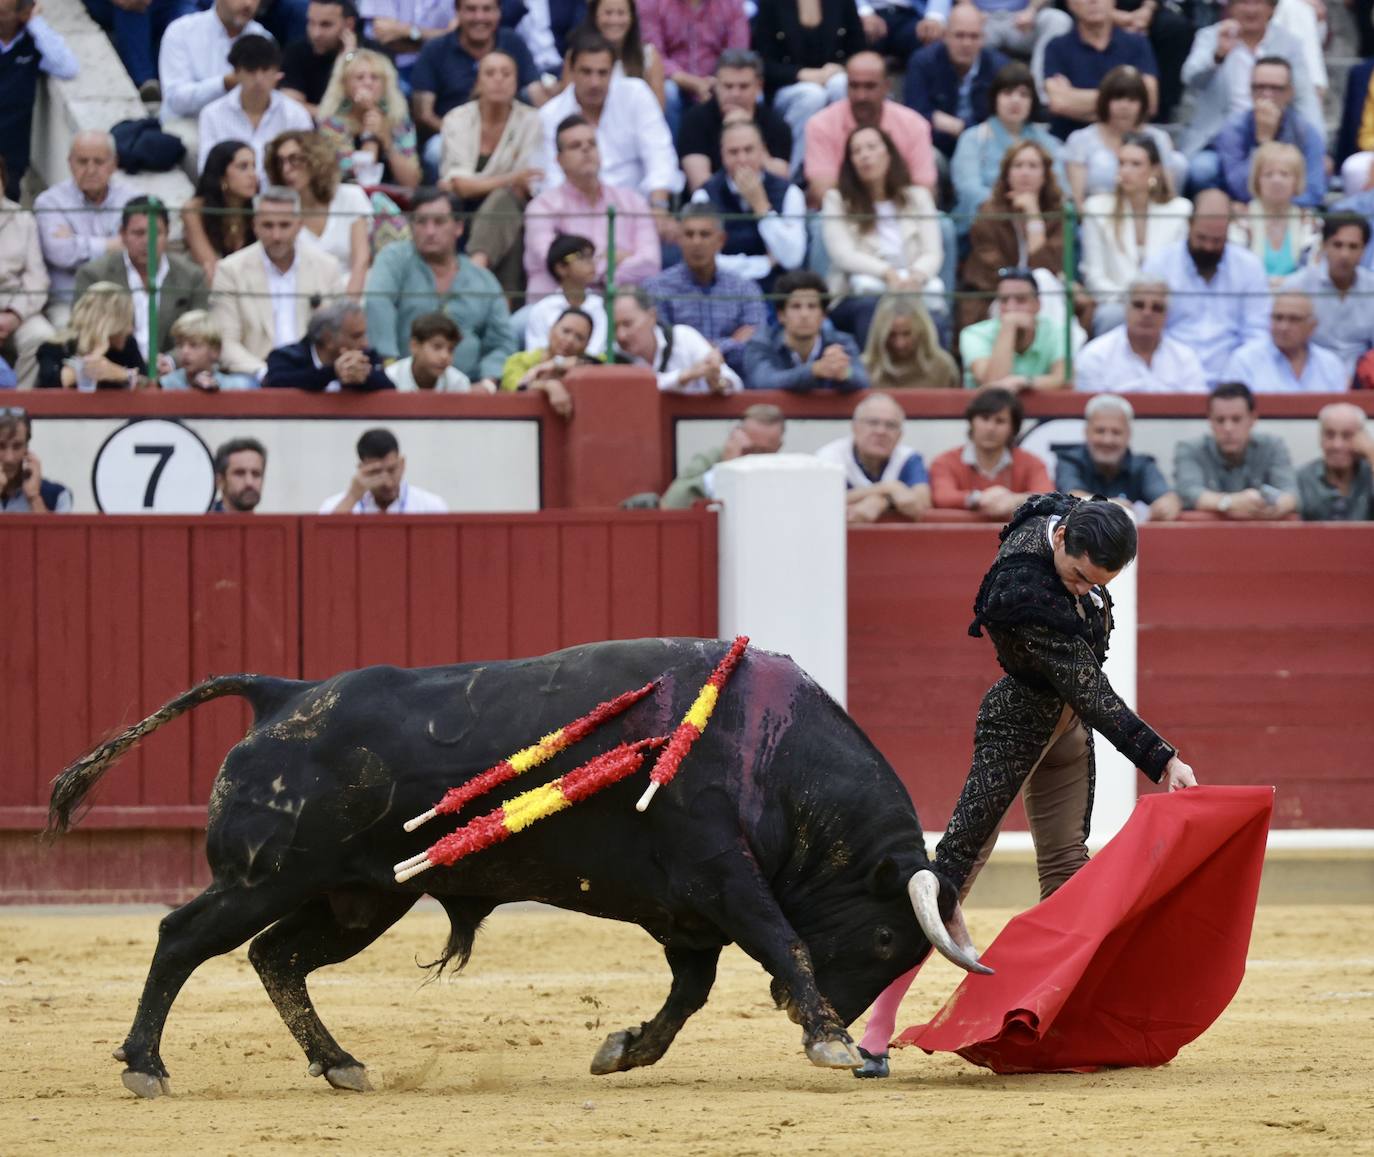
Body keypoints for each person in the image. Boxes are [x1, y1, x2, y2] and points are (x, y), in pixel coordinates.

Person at [854, 491, 1196, 1078]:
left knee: (1068, 871)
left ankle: (1064, 1019)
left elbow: (1085, 696)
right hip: (1017, 723)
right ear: (1061, 542)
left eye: (1097, 583)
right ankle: (875, 1032)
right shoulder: (1023, 593)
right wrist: (1162, 759)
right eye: (1079, 577)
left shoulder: (1062, 518)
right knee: (950, 875)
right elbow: (1093, 693)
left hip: (1066, 730)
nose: (1084, 590)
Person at [363, 188, 515, 387]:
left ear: (459, 227)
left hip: (466, 391)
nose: (429, 231)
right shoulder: (395, 259)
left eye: (439, 222)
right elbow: (377, 303)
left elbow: (503, 342)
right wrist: (388, 368)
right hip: (401, 387)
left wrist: (487, 383)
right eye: (421, 222)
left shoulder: (484, 280)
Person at [822, 125, 946, 347]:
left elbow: (932, 251)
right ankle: (872, 379)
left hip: (912, 287)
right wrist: (887, 274)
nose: (864, 155)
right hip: (858, 292)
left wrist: (916, 277)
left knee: (934, 314)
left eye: (871, 147)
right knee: (869, 307)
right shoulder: (836, 200)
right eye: (856, 151)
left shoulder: (918, 197)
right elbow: (844, 256)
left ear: (889, 154)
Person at [438, 50, 544, 294]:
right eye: (490, 73)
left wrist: (491, 183)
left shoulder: (533, 120)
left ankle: (473, 274)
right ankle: (502, 303)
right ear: (478, 82)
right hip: (462, 207)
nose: (498, 79)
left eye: (506, 74)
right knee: (506, 210)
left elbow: (526, 184)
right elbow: (460, 186)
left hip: (511, 203)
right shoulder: (458, 118)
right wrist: (509, 178)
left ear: (516, 81)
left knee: (504, 201)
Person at [537, 30, 679, 213]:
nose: (595, 82)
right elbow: (551, 178)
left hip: (638, 213)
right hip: (575, 216)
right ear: (571, 71)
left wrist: (659, 206)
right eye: (586, 72)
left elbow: (659, 155)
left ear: (613, 71)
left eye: (602, 73)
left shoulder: (637, 94)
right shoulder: (550, 115)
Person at [209, 186, 345, 376]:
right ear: (255, 225)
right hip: (255, 375)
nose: (276, 236)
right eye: (268, 225)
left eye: (284, 225)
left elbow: (340, 335)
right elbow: (225, 342)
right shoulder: (230, 270)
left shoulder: (327, 267)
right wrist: (267, 374)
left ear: (299, 225)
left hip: (314, 376)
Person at [1139, 188, 1269, 385]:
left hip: (1235, 378)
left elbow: (1257, 333)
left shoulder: (1249, 267)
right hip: (1172, 376)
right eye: (1202, 238)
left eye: (1217, 240)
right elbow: (1151, 329)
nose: (1208, 247)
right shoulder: (1159, 265)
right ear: (1189, 224)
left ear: (1229, 229)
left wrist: (1236, 375)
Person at [523, 115, 660, 298]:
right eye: (575, 146)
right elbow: (553, 261)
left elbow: (650, 263)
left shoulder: (633, 202)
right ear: (559, 160)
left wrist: (590, 268)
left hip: (620, 309)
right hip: (557, 309)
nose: (586, 149)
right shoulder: (542, 207)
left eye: (592, 144)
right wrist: (612, 260)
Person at [73, 197, 210, 367]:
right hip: (111, 374)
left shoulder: (191, 276)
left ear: (167, 234)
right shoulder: (94, 275)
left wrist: (171, 361)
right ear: (122, 234)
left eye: (156, 233)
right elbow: (83, 333)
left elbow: (202, 333)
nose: (147, 242)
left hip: (173, 377)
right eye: (138, 233)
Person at [1179, 0, 1320, 162]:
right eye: (1243, 2)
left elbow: (1305, 98)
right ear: (1230, 7)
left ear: (1272, 8)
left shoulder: (1289, 44)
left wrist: (1318, 147)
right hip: (1216, 137)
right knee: (1202, 170)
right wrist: (1218, 55)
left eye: (1258, 3)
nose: (1251, 10)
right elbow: (1190, 78)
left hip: (1275, 136)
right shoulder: (1210, 36)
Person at [411, 0, 540, 175]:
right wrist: (459, 133)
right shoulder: (435, 49)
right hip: (451, 131)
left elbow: (536, 92)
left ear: (498, 12)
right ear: (457, 12)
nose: (480, 17)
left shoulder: (513, 42)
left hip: (510, 130)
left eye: (487, 9)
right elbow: (424, 114)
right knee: (435, 150)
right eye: (471, 9)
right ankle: (444, 200)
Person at [1079, 132, 1190, 335]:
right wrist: (1134, 300)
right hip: (1116, 303)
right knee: (1111, 317)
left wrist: (1153, 301)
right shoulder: (1096, 209)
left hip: (1165, 302)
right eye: (1121, 163)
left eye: (1135, 164)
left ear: (1155, 170)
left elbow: (1181, 273)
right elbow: (1094, 276)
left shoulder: (1180, 211)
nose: (1125, 171)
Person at [803, 51, 937, 210]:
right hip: (843, 213)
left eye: (870, 86)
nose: (861, 96)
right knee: (819, 227)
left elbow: (925, 189)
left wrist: (886, 212)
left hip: (901, 213)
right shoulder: (820, 124)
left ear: (887, 86)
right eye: (854, 86)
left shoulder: (914, 124)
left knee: (944, 226)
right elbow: (822, 191)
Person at [645, 205, 767, 375]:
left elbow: (757, 343)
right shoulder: (657, 288)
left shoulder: (744, 288)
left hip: (737, 382)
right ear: (679, 239)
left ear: (721, 240)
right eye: (689, 234)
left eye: (705, 234)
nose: (696, 242)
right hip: (681, 382)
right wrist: (730, 343)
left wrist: (693, 347)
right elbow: (664, 346)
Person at [689, 120, 806, 295]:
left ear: (762, 151)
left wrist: (761, 207)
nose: (742, 159)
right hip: (721, 292)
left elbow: (792, 259)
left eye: (748, 150)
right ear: (722, 155)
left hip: (775, 295)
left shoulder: (789, 193)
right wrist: (764, 264)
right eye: (733, 152)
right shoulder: (704, 195)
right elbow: (703, 258)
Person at [959, 139, 1066, 330]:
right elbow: (995, 274)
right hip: (998, 298)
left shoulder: (1057, 215)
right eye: (1018, 166)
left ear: (1045, 175)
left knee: (1043, 280)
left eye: (1033, 166)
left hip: (1044, 298)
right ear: (1007, 174)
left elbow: (1046, 270)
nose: (1025, 172)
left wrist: (1034, 216)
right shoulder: (988, 214)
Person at [949, 61, 1063, 236]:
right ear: (995, 98)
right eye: (1007, 93)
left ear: (1033, 102)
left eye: (1024, 94)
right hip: (986, 226)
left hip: (1039, 223)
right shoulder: (973, 138)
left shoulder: (1049, 143)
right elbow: (968, 189)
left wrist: (1032, 209)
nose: (1015, 100)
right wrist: (1014, 204)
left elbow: (1061, 189)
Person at [33, 132, 133, 325]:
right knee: (66, 334)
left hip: (120, 301)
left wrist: (75, 240)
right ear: (70, 163)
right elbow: (60, 253)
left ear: (113, 164)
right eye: (82, 161)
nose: (90, 169)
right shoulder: (50, 201)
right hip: (69, 302)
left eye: (99, 161)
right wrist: (112, 244)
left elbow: (137, 250)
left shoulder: (130, 200)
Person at [752, 0, 863, 173]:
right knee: (812, 95)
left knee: (841, 83)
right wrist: (801, 74)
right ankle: (795, 171)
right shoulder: (771, 3)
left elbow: (859, 49)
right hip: (788, 87)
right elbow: (764, 63)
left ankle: (846, 165)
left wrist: (841, 67)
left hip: (831, 77)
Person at [1204, 56, 1326, 210]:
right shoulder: (1234, 129)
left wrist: (1275, 207)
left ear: (1290, 93)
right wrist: (1263, 141)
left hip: (1290, 212)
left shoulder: (1306, 132)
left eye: (1276, 88)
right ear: (1250, 90)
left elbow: (1314, 191)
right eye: (1259, 87)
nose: (1267, 94)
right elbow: (1240, 190)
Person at [264, 131, 373, 301]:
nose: (286, 169)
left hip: (354, 292)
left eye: (295, 160)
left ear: (315, 160)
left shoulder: (350, 196)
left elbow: (361, 260)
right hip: (303, 297)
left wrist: (348, 307)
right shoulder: (281, 210)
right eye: (281, 162)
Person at [1061, 65, 1183, 208]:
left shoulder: (1158, 139)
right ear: (1105, 101)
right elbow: (1076, 201)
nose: (1124, 106)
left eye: (1132, 100)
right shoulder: (1080, 140)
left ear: (1142, 104)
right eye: (1117, 99)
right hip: (1095, 223)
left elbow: (1168, 194)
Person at [1173, 380, 1298, 518]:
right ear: (1210, 421)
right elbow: (1188, 492)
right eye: (1220, 420)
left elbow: (1291, 495)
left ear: (1252, 419)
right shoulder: (1189, 449)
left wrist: (1270, 508)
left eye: (1236, 419)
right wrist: (1231, 502)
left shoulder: (1273, 446)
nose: (1228, 428)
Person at [1038, 0, 1158, 141]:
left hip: (1127, 144)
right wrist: (1125, 100)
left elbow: (1149, 102)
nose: (1093, 1)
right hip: (1066, 140)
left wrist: (1074, 98)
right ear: (1070, 4)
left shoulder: (1137, 44)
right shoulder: (1056, 47)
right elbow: (1059, 103)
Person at [198, 35, 313, 179]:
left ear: (277, 72)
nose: (259, 79)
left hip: (283, 195)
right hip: (229, 198)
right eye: (251, 71)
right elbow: (207, 170)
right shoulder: (212, 114)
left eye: (265, 70)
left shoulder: (296, 114)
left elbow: (307, 167)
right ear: (236, 72)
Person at [678, 48, 792, 191]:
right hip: (713, 207)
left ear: (759, 86)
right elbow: (699, 184)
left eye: (743, 86)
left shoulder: (775, 123)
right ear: (716, 85)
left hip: (766, 203)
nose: (735, 93)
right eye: (728, 86)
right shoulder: (695, 120)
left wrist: (749, 134)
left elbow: (781, 181)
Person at [928, 386, 1053, 516]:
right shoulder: (945, 461)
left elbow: (1048, 497)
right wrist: (978, 498)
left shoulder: (1031, 462)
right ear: (971, 422)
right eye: (984, 418)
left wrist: (1014, 500)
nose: (990, 428)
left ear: (1013, 428)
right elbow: (942, 496)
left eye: (1000, 421)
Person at [902, 4, 1007, 159]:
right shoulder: (922, 62)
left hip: (986, 151)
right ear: (945, 36)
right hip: (938, 147)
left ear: (983, 39)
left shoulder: (999, 68)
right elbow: (915, 115)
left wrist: (958, 126)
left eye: (973, 36)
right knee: (926, 155)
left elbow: (1002, 122)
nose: (966, 43)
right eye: (959, 35)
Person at [1052, 393, 1180, 520]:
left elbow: (1168, 500)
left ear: (1128, 435)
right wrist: (1113, 506)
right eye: (1100, 431)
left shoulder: (1143, 465)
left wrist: (1164, 507)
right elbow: (1071, 497)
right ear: (1086, 432)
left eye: (1116, 432)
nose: (1107, 440)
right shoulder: (1069, 461)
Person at [741, 270, 869, 393]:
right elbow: (763, 382)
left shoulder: (841, 342)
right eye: (796, 306)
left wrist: (844, 373)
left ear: (824, 315)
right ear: (781, 315)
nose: (804, 314)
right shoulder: (761, 343)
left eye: (812, 306)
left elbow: (862, 379)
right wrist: (813, 371)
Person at [0, 0, 78, 198]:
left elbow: (67, 68)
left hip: (10, 158)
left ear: (22, 14)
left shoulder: (32, 43)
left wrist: (35, 22)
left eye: (1, 12)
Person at [1073, 279, 1207, 394]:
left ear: (1167, 315)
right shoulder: (1095, 356)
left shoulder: (1185, 359)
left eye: (1157, 307)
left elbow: (1195, 414)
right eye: (1139, 305)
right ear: (1125, 309)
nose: (1147, 313)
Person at [815, 391, 932, 523]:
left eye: (891, 425)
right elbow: (821, 501)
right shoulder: (830, 457)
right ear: (854, 427)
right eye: (872, 423)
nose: (881, 431)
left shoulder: (908, 457)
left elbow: (921, 501)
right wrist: (888, 488)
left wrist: (881, 501)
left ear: (900, 435)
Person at [1281, 215, 1374, 377]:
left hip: (1364, 379)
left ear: (1364, 250)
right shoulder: (1297, 286)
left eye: (1353, 247)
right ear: (1324, 246)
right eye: (1337, 245)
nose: (1344, 254)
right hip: (1308, 376)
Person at [317, 47, 422, 188]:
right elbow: (358, 179)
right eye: (360, 77)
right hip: (350, 199)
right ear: (345, 85)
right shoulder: (332, 124)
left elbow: (411, 182)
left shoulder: (399, 121)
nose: (368, 83)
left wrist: (386, 141)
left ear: (385, 85)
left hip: (395, 199)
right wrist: (370, 133)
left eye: (375, 77)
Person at [157, 0, 271, 123]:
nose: (248, 4)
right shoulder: (181, 31)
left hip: (241, 126)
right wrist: (224, 83)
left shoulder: (264, 38)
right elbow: (176, 101)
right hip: (190, 122)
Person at [612, 288, 743, 393]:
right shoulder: (612, 354)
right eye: (614, 327)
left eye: (627, 324)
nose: (621, 335)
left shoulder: (683, 337)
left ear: (652, 316)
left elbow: (735, 384)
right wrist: (683, 376)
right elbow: (637, 389)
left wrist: (717, 382)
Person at [638, 0, 749, 121]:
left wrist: (716, 81)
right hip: (674, 79)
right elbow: (654, 54)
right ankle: (671, 140)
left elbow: (737, 52)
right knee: (669, 92)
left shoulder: (731, 3)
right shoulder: (652, 3)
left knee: (743, 90)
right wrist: (690, 82)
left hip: (717, 79)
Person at [959, 267, 1067, 390]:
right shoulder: (974, 334)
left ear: (1038, 305)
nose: (1011, 308)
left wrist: (1023, 382)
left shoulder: (1058, 332)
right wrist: (1008, 327)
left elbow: (1065, 380)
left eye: (1021, 300)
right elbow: (995, 388)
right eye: (1004, 300)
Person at [1226, 142, 1319, 283]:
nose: (1276, 180)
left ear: (1297, 181)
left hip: (1295, 298)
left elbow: (1312, 272)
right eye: (1268, 174)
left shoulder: (1309, 221)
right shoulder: (1240, 221)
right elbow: (1236, 271)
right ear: (1257, 181)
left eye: (1285, 174)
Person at [660, 403, 784, 507]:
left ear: (778, 447)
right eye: (752, 450)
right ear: (736, 436)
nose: (756, 459)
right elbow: (671, 505)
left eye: (764, 452)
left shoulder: (784, 470)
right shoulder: (711, 460)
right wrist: (726, 469)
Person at [1223, 291, 1350, 393]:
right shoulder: (1244, 361)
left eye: (1294, 319)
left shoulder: (1331, 364)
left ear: (1312, 326)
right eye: (1278, 318)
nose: (1283, 327)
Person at [0, 156, 54, 390]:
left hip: (17, 310)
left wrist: (14, 314)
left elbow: (37, 279)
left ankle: (18, 411)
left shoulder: (23, 219)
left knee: (41, 336)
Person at [36, 282, 148, 389]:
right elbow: (49, 387)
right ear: (111, 323)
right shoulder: (55, 347)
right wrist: (90, 361)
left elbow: (149, 386)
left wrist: (121, 374)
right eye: (126, 321)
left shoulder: (127, 345)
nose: (130, 329)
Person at [263, 300, 394, 390]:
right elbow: (277, 383)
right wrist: (333, 372)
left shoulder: (367, 356)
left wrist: (365, 377)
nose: (365, 343)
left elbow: (390, 390)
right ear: (328, 338)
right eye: (356, 336)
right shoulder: (286, 356)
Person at [320, 426, 448, 513]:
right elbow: (323, 544)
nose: (387, 483)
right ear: (361, 470)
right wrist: (352, 497)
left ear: (402, 463)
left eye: (392, 470)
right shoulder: (334, 506)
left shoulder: (430, 507)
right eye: (375, 473)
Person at [183, 140, 260, 284]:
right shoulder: (194, 210)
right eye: (243, 167)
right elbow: (210, 267)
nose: (253, 175)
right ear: (222, 175)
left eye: (253, 166)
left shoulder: (259, 211)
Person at [500, 306, 597, 415]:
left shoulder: (587, 362)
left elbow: (601, 366)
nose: (570, 340)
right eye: (566, 331)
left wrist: (556, 363)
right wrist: (548, 385)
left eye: (579, 337)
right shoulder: (518, 360)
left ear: (586, 345)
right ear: (551, 330)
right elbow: (518, 387)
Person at [524, 233, 609, 357]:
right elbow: (536, 354)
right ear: (561, 268)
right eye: (583, 257)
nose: (591, 263)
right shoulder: (542, 310)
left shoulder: (602, 306)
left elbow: (598, 353)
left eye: (592, 257)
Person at [573, 0, 666, 108]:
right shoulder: (578, 55)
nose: (614, 20)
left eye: (621, 13)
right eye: (608, 13)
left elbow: (657, 110)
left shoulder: (649, 56)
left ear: (632, 17)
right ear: (595, 16)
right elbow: (569, 103)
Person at [861, 294, 959, 389]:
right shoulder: (865, 369)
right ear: (880, 335)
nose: (900, 343)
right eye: (891, 335)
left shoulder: (942, 368)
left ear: (921, 331)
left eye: (907, 334)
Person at [281, 0, 362, 115]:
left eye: (326, 25)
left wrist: (348, 59)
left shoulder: (371, 53)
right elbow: (291, 107)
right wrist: (336, 119)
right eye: (311, 23)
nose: (316, 34)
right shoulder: (295, 52)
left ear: (349, 25)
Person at [1296, 402, 1374, 521]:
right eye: (1329, 435)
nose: (1337, 445)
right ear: (1320, 438)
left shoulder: (1370, 473)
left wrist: (1371, 453)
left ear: (1363, 438)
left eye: (1347, 436)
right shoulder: (1302, 478)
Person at [356, 0, 455, 84]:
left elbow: (456, 37)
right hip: (395, 68)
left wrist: (408, 31)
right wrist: (432, 38)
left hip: (445, 68)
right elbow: (383, 35)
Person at [158, 310, 259, 390]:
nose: (185, 351)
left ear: (215, 351)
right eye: (179, 345)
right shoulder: (166, 385)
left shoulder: (236, 387)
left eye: (194, 345)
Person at [0, 409, 71, 512]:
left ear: (27, 447)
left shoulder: (57, 495)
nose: (9, 458)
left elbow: (53, 529)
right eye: (1, 446)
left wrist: (34, 498)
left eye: (17, 446)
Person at [385, 311, 472, 391]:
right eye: (437, 347)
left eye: (451, 349)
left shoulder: (459, 383)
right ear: (414, 346)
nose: (445, 356)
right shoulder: (390, 378)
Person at [212, 437, 267, 511]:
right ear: (220, 481)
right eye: (239, 473)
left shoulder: (270, 522)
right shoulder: (200, 521)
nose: (249, 482)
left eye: (256, 474)